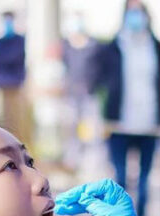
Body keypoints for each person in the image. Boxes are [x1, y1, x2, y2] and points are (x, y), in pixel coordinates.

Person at [92, 0, 160, 216]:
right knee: (121, 176)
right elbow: (100, 82)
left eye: (139, 13)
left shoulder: (156, 47)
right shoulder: (113, 47)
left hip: (149, 122)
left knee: (145, 179)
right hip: (119, 122)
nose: (136, 18)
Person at [60, 11, 98, 173]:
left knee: (89, 132)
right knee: (71, 132)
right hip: (71, 97)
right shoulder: (66, 46)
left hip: (88, 97)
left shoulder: (93, 46)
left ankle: (88, 164)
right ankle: (72, 163)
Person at [0, 11, 30, 145]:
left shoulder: (19, 41)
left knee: (15, 121)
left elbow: (13, 59)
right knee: (0, 120)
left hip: (15, 86)